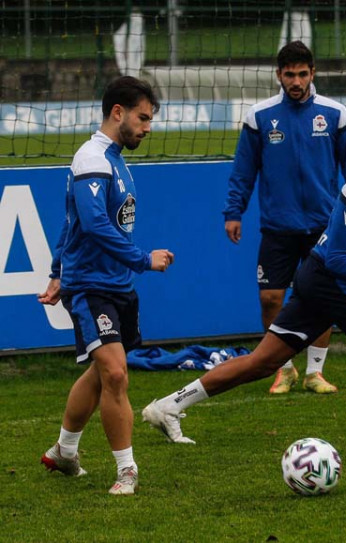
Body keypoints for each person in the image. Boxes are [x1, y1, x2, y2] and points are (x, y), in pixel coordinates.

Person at [142, 114, 346, 445]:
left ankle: (168, 406)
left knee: (263, 362)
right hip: (328, 278)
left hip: (327, 280)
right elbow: (337, 258)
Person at [38, 76, 172, 495]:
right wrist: (142, 259)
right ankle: (127, 470)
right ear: (119, 112)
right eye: (143, 117)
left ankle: (64, 450)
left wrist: (56, 270)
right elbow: (94, 224)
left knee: (101, 374)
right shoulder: (92, 158)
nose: (148, 127)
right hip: (92, 286)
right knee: (115, 373)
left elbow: (70, 221)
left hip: (116, 285)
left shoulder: (113, 159)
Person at [223, 40, 346, 396]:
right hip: (278, 226)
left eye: (303, 74)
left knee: (321, 299)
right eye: (290, 74)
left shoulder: (335, 114)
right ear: (279, 75)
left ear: (312, 73)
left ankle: (315, 372)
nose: (296, 81)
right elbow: (244, 171)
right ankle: (283, 369)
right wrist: (233, 211)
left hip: (324, 226)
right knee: (271, 298)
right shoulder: (259, 116)